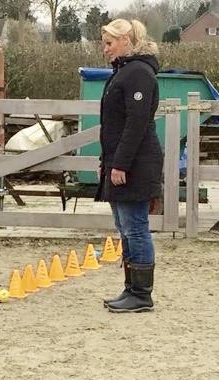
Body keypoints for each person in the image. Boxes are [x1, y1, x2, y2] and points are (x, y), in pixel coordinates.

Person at [97, 19, 162, 313]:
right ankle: (130, 288)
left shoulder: (138, 74)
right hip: (120, 161)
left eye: (109, 43)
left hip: (135, 164)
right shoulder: (125, 71)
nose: (105, 49)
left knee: (136, 228)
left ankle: (142, 293)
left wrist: (120, 164)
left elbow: (135, 125)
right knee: (125, 227)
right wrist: (109, 162)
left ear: (126, 40)